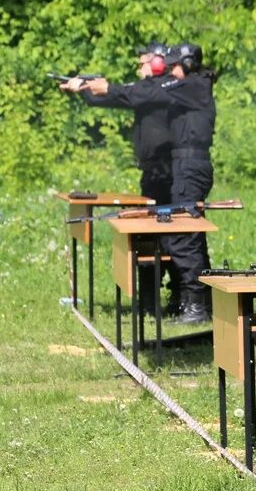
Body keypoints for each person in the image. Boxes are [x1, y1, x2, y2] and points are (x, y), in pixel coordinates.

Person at [74, 41, 218, 324]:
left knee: (184, 236)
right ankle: (191, 302)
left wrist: (110, 88)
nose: (170, 71)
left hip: (189, 167)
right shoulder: (186, 86)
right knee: (181, 236)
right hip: (182, 166)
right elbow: (144, 93)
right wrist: (93, 90)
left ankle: (196, 306)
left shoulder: (193, 85)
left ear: (186, 65)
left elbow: (150, 90)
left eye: (174, 66)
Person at [60, 41, 180, 314]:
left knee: (170, 236)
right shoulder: (145, 90)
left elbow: (124, 93)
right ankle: (151, 301)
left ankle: (179, 297)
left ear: (159, 62)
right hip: (153, 172)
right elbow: (114, 97)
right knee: (148, 236)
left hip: (169, 173)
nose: (139, 67)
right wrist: (82, 90)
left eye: (143, 62)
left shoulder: (168, 88)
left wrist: (99, 88)